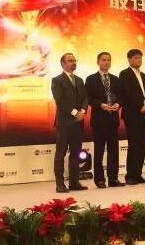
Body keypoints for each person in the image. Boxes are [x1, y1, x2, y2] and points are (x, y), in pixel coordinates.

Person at [85, 52, 125, 188]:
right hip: (99, 120)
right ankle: (99, 179)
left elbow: (121, 96)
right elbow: (88, 98)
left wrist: (118, 104)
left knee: (114, 151)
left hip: (113, 119)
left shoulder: (115, 79)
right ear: (98, 62)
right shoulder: (91, 79)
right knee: (99, 150)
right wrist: (101, 105)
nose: (106, 62)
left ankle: (113, 179)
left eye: (109, 60)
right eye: (103, 60)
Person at [51, 53, 89, 193]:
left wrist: (83, 111)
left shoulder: (79, 80)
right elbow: (60, 101)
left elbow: (85, 98)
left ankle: (74, 182)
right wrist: (75, 113)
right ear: (63, 63)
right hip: (64, 123)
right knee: (60, 153)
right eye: (70, 61)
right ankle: (60, 184)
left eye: (74, 60)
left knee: (75, 153)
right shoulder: (57, 80)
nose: (73, 63)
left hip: (78, 123)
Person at [119, 49, 145, 185]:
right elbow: (128, 94)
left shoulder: (142, 75)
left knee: (142, 144)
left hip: (144, 113)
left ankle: (138, 174)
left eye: (140, 58)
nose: (139, 60)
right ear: (129, 59)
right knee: (134, 144)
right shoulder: (124, 74)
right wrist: (140, 106)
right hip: (132, 113)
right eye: (136, 58)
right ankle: (130, 176)